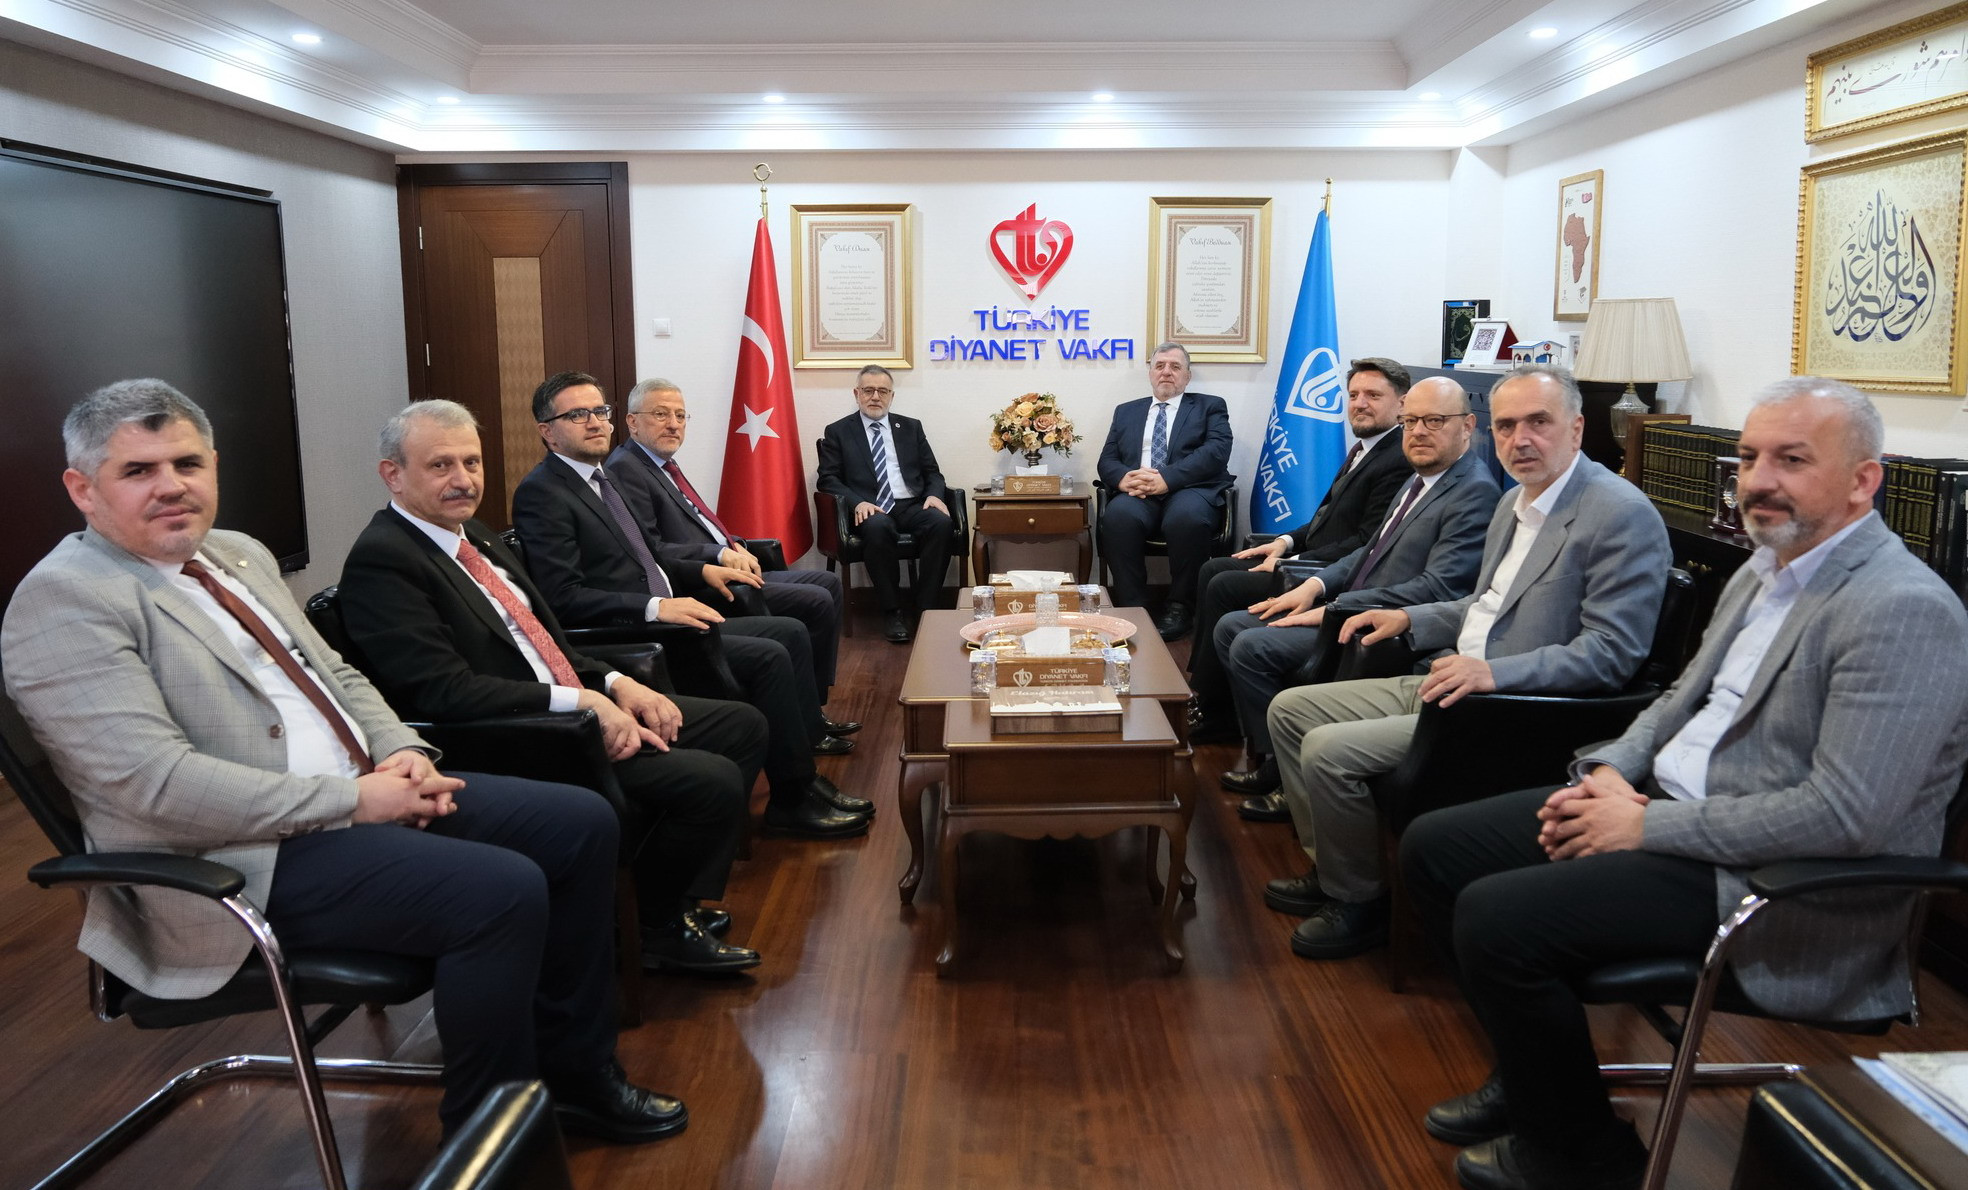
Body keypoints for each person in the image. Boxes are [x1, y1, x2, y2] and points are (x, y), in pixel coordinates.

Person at [1, 379, 685, 1142]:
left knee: (580, 823)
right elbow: (156, 788)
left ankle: (575, 1076)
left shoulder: (237, 554)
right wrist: (355, 801)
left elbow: (338, 675)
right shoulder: (66, 600)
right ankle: (491, 1142)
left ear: (214, 467)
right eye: (138, 471)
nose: (171, 486)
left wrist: (403, 752)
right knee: (501, 890)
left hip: (359, 797)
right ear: (82, 489)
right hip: (235, 859)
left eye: (187, 464)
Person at [1400, 378, 1968, 1190]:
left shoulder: (1901, 609)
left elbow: (1846, 817)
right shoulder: (1767, 567)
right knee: (1435, 847)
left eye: (1792, 460)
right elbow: (1676, 701)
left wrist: (1641, 827)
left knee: (1497, 920)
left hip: (1773, 880)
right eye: (1749, 458)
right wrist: (1607, 772)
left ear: (1862, 480)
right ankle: (1536, 1076)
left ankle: (1582, 1156)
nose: (1759, 480)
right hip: (1663, 809)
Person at [337, 399, 777, 976]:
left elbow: (548, 641)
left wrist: (616, 682)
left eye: (472, 462)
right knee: (709, 781)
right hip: (521, 738)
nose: (463, 479)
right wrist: (583, 703)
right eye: (440, 465)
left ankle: (657, 904)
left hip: (571, 705)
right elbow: (444, 692)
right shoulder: (384, 560)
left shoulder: (475, 536)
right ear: (392, 474)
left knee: (741, 725)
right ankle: (654, 928)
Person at [1265, 365, 1669, 956]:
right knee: (1289, 711)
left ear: (1577, 428)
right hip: (1451, 676)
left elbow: (1611, 655)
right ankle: (1340, 868)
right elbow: (1483, 605)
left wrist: (1494, 673)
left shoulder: (1619, 514)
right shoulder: (1512, 502)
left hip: (1509, 707)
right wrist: (1412, 619)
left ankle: (1360, 902)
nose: (1519, 440)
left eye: (1538, 422)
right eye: (1506, 426)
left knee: (1328, 750)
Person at [510, 376, 871, 835]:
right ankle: (793, 797)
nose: (595, 422)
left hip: (673, 612)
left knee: (787, 632)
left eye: (599, 411)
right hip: (635, 635)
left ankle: (805, 777)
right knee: (771, 652)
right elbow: (562, 598)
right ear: (547, 430)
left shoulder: (601, 480)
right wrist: (655, 608)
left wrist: (701, 570)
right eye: (577, 415)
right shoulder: (544, 491)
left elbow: (648, 554)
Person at [1215, 377, 1497, 808]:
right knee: (1230, 627)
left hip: (1376, 626)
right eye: (1410, 421)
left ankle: (1289, 781)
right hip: (1349, 605)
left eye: (1435, 420)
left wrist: (1335, 608)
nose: (1419, 431)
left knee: (1251, 645)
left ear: (1468, 426)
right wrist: (1314, 585)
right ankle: (1279, 762)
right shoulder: (1420, 479)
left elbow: (1438, 587)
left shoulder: (1474, 491)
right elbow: (1371, 549)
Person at [1188, 356, 1411, 733]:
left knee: (1224, 583)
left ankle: (1215, 713)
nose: (1360, 403)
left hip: (1328, 574)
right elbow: (1326, 517)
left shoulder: (1398, 458)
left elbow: (1367, 542)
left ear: (1402, 404)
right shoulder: (1364, 448)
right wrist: (1284, 541)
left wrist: (1293, 560)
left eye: (1373, 395)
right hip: (1308, 558)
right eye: (1353, 394)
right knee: (1214, 568)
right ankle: (1206, 693)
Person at [606, 375, 846, 722]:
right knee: (817, 598)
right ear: (632, 421)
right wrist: (719, 554)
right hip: (700, 582)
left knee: (828, 583)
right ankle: (810, 713)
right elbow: (651, 548)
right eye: (660, 414)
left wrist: (736, 544)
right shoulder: (627, 468)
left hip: (727, 564)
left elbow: (697, 525)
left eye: (680, 416)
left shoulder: (660, 464)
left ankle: (813, 704)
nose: (673, 424)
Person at [1095, 342, 1234, 640]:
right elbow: (1107, 460)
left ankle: (1180, 608)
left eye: (1175, 366)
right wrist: (1123, 479)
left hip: (1190, 488)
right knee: (1118, 517)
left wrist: (1167, 478)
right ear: (1150, 373)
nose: (1166, 372)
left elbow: (1217, 452)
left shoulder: (1210, 406)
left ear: (1188, 376)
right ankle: (1133, 607)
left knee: (1186, 518)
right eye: (1159, 366)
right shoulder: (1126, 411)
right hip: (1139, 491)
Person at [815, 365, 955, 643]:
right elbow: (828, 479)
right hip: (871, 507)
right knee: (877, 527)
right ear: (856, 394)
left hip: (910, 504)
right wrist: (857, 502)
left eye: (882, 391)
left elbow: (932, 472)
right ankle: (892, 611)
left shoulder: (911, 427)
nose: (875, 397)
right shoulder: (839, 431)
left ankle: (926, 609)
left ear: (892, 396)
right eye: (868, 390)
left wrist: (935, 495)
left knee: (941, 523)